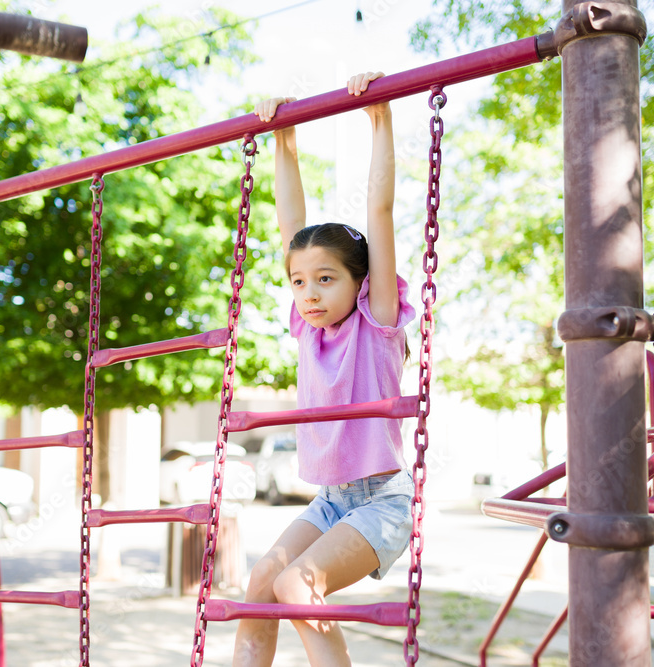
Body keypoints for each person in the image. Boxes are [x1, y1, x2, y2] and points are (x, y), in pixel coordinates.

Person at [233, 72, 416, 666]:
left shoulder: (377, 320)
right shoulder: (306, 327)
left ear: (361, 281)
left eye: (326, 278)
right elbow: (293, 227)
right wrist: (283, 141)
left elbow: (379, 211)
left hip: (383, 501)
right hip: (333, 499)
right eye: (298, 282)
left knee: (297, 587)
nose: (308, 293)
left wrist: (380, 118)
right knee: (263, 584)